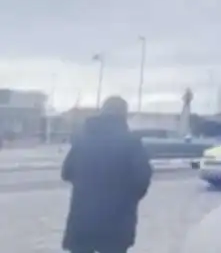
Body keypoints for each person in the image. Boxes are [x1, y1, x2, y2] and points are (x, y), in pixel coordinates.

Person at [62, 96, 153, 253]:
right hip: (117, 220)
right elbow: (142, 178)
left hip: (83, 219)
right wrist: (128, 199)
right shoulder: (131, 142)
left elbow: (66, 172)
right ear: (124, 115)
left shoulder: (83, 139)